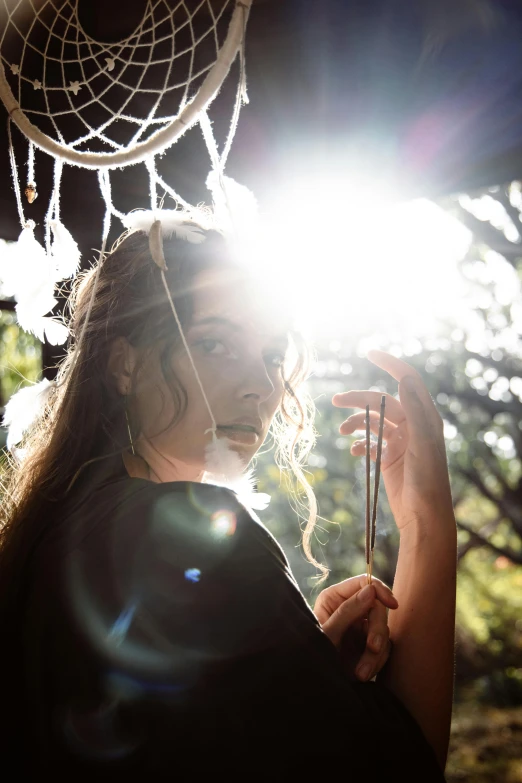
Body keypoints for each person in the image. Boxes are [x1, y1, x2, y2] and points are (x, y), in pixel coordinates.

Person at [0, 218, 456, 781]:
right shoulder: (190, 533)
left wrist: (303, 667)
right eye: (214, 343)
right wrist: (426, 519)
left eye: (269, 355)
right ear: (124, 365)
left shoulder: (54, 532)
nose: (261, 387)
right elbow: (406, 770)